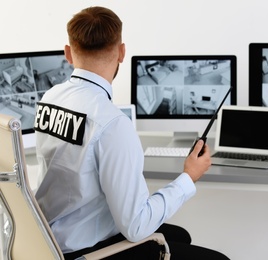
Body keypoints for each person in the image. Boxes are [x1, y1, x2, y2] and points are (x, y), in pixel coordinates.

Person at [34, 6, 229, 260]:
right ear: (122, 52)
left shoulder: (50, 98)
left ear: (68, 53)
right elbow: (136, 226)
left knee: (179, 235)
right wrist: (188, 176)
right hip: (85, 252)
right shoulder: (112, 123)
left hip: (49, 241)